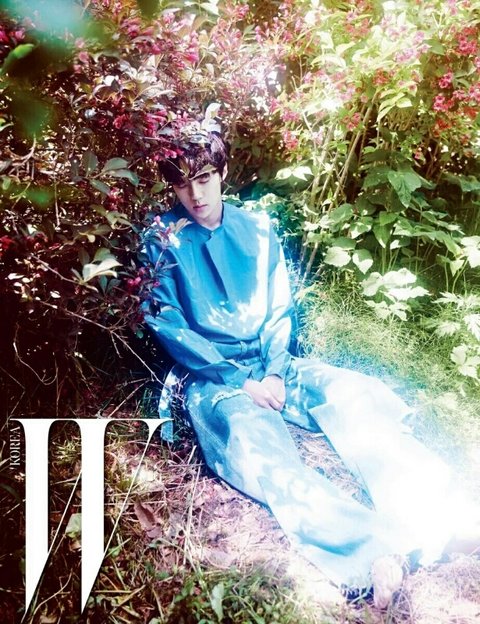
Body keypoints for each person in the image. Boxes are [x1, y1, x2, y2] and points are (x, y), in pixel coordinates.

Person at [141, 122, 479, 608]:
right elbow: (168, 323)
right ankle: (371, 552)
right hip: (215, 378)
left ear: (224, 172)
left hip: (276, 362)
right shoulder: (161, 238)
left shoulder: (258, 230)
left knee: (354, 396)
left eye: (205, 178)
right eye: (182, 184)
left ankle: (440, 515)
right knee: (261, 448)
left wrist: (276, 371)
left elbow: (279, 309)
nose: (195, 195)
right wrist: (240, 381)